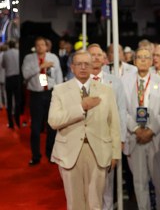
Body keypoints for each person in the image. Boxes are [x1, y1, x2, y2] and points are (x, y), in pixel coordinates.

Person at [48, 50, 121, 209]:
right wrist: (81, 107)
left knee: (96, 203)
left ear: (92, 66)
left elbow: (113, 123)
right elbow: (53, 121)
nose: (83, 67)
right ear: (72, 67)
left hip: (99, 151)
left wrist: (115, 153)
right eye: (79, 64)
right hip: (70, 152)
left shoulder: (106, 90)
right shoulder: (60, 90)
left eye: (86, 64)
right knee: (75, 204)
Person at [123, 47, 160, 210]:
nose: (143, 60)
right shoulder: (124, 80)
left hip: (156, 139)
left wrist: (150, 130)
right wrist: (136, 129)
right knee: (139, 183)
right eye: (139, 57)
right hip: (134, 137)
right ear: (134, 61)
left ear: (151, 61)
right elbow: (122, 109)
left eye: (146, 57)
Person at [86, 43, 128, 210]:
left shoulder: (115, 82)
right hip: (85, 143)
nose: (96, 58)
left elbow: (121, 112)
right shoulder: (77, 82)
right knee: (87, 188)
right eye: (92, 55)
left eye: (99, 55)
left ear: (104, 59)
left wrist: (121, 139)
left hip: (107, 141)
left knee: (107, 188)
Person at [22, 36, 63, 165]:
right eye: (38, 45)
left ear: (47, 46)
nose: (40, 47)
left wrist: (59, 93)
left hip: (50, 93)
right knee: (35, 128)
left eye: (42, 45)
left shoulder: (53, 57)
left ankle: (50, 154)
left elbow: (59, 75)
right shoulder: (29, 58)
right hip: (36, 95)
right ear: (35, 47)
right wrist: (41, 66)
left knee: (51, 126)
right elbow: (25, 74)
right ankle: (36, 156)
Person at [2, 39, 21, 128]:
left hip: (9, 78)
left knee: (9, 101)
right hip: (17, 78)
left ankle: (11, 123)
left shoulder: (5, 54)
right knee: (17, 100)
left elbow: (3, 65)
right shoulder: (18, 52)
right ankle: (17, 120)